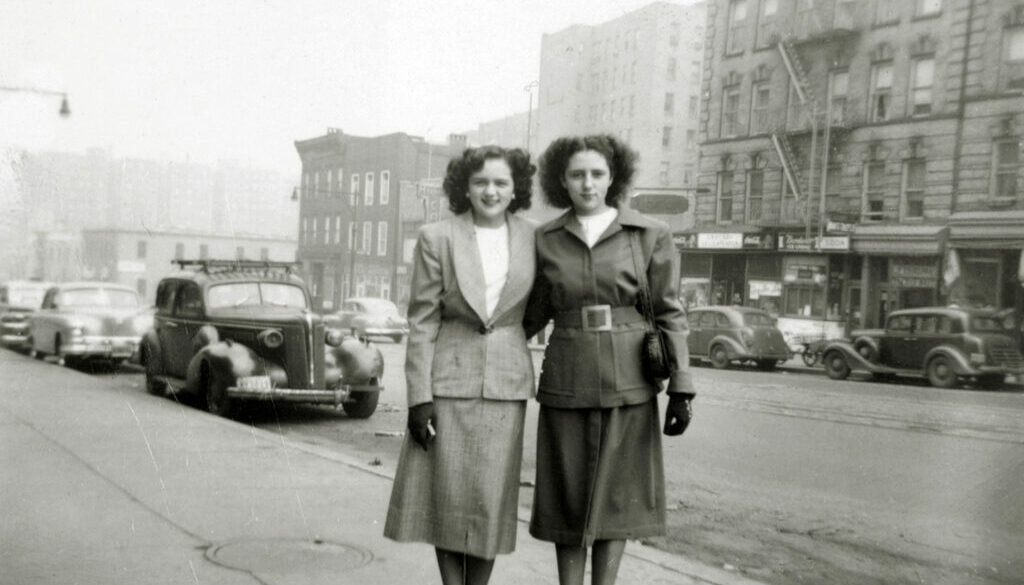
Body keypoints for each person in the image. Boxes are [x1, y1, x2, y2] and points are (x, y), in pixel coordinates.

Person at [524, 134, 695, 585]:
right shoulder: (545, 239)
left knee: (616, 496)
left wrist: (682, 386)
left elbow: (669, 310)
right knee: (567, 493)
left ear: (613, 177)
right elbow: (527, 314)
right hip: (567, 376)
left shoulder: (648, 234)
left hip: (629, 378)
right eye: (577, 174)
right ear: (561, 180)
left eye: (597, 173)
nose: (587, 183)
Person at [383, 145, 537, 585]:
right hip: (448, 383)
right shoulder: (439, 237)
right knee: (447, 498)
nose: (490, 191)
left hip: (506, 384)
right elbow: (423, 321)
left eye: (501, 182)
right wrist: (419, 399)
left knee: (491, 501)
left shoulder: (533, 237)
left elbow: (540, 303)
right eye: (480, 182)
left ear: (515, 189)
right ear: (464, 188)